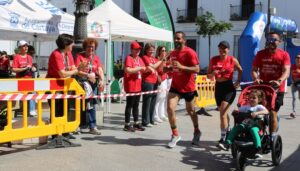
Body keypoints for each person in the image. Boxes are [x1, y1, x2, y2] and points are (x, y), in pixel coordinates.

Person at [251, 32, 290, 140]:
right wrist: (256, 78)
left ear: (279, 42)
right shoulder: (260, 54)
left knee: (273, 112)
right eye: (269, 39)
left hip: (277, 89)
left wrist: (279, 80)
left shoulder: (284, 55)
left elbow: (286, 71)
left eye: (274, 40)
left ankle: (272, 137)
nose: (271, 42)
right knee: (260, 111)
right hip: (263, 88)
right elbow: (254, 70)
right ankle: (260, 134)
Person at [165, 31, 201, 148]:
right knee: (170, 108)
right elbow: (173, 68)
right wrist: (168, 69)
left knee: (190, 111)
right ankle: (175, 134)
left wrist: (182, 67)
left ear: (184, 40)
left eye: (179, 39)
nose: (176, 41)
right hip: (175, 86)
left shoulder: (190, 52)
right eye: (175, 38)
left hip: (188, 87)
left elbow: (197, 69)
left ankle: (196, 131)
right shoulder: (173, 53)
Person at [207, 40, 243, 149]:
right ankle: (228, 131)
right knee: (224, 113)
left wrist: (238, 81)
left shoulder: (232, 59)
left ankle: (224, 139)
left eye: (224, 48)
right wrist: (212, 74)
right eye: (220, 48)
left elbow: (240, 70)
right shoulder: (214, 59)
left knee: (222, 113)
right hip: (218, 87)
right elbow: (208, 75)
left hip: (229, 88)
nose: (222, 50)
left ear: (228, 49)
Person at [46, 34, 79, 139]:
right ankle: (55, 135)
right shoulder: (56, 54)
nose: (73, 45)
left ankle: (65, 132)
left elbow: (73, 68)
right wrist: (76, 70)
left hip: (65, 87)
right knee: (56, 111)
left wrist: (77, 68)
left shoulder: (68, 53)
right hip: (53, 88)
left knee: (66, 109)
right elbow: (62, 73)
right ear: (65, 44)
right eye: (71, 43)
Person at [75, 38, 104, 135]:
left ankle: (93, 126)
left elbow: (99, 70)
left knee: (92, 105)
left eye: (93, 47)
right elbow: (77, 71)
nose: (91, 49)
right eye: (89, 47)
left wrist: (102, 80)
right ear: (85, 47)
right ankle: (77, 125)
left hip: (93, 84)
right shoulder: (80, 56)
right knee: (80, 105)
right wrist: (88, 75)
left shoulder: (96, 58)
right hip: (82, 83)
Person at [123, 41, 146, 132]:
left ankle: (136, 123)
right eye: (136, 49)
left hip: (138, 85)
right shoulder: (129, 58)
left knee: (136, 105)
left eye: (139, 49)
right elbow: (128, 70)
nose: (138, 51)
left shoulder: (139, 59)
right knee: (130, 105)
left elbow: (144, 69)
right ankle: (127, 124)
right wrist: (140, 68)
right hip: (131, 85)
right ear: (132, 49)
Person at [12, 40, 37, 116]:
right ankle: (25, 110)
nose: (26, 47)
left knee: (32, 94)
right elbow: (14, 69)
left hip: (29, 79)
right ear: (20, 47)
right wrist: (24, 68)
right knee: (23, 96)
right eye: (24, 46)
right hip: (20, 80)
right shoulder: (17, 57)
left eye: (27, 46)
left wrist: (33, 68)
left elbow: (32, 67)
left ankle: (31, 110)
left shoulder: (29, 57)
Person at [141, 43, 162, 127]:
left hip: (155, 81)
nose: (151, 51)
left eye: (153, 49)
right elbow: (153, 66)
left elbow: (158, 68)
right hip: (147, 81)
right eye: (150, 49)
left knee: (153, 100)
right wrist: (161, 60)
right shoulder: (145, 57)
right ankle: (145, 121)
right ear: (146, 50)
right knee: (147, 101)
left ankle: (151, 119)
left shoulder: (153, 58)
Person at [153, 45, 169, 123]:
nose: (164, 52)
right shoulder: (157, 60)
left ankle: (161, 114)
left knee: (163, 98)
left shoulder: (164, 60)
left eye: (165, 50)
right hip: (160, 80)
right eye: (162, 50)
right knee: (158, 98)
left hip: (165, 80)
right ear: (159, 51)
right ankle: (155, 115)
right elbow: (159, 70)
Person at [290, 54, 300, 118]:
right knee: (294, 98)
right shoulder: (293, 66)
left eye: (299, 58)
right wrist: (293, 81)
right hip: (294, 84)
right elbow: (291, 75)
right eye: (297, 58)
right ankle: (294, 112)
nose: (298, 59)